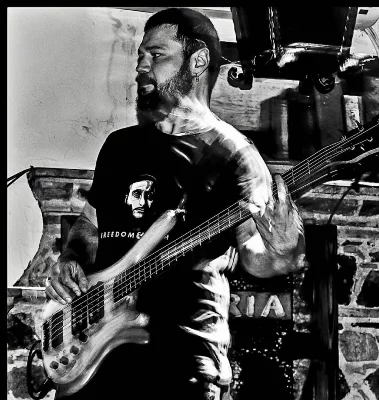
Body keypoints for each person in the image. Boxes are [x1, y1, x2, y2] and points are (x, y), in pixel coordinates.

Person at [45, 7, 305, 400]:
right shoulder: (120, 146)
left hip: (181, 363)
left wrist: (285, 248)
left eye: (156, 55)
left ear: (198, 61)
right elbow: (89, 225)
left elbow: (258, 258)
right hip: (94, 357)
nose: (141, 66)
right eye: (140, 57)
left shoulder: (236, 154)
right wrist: (70, 258)